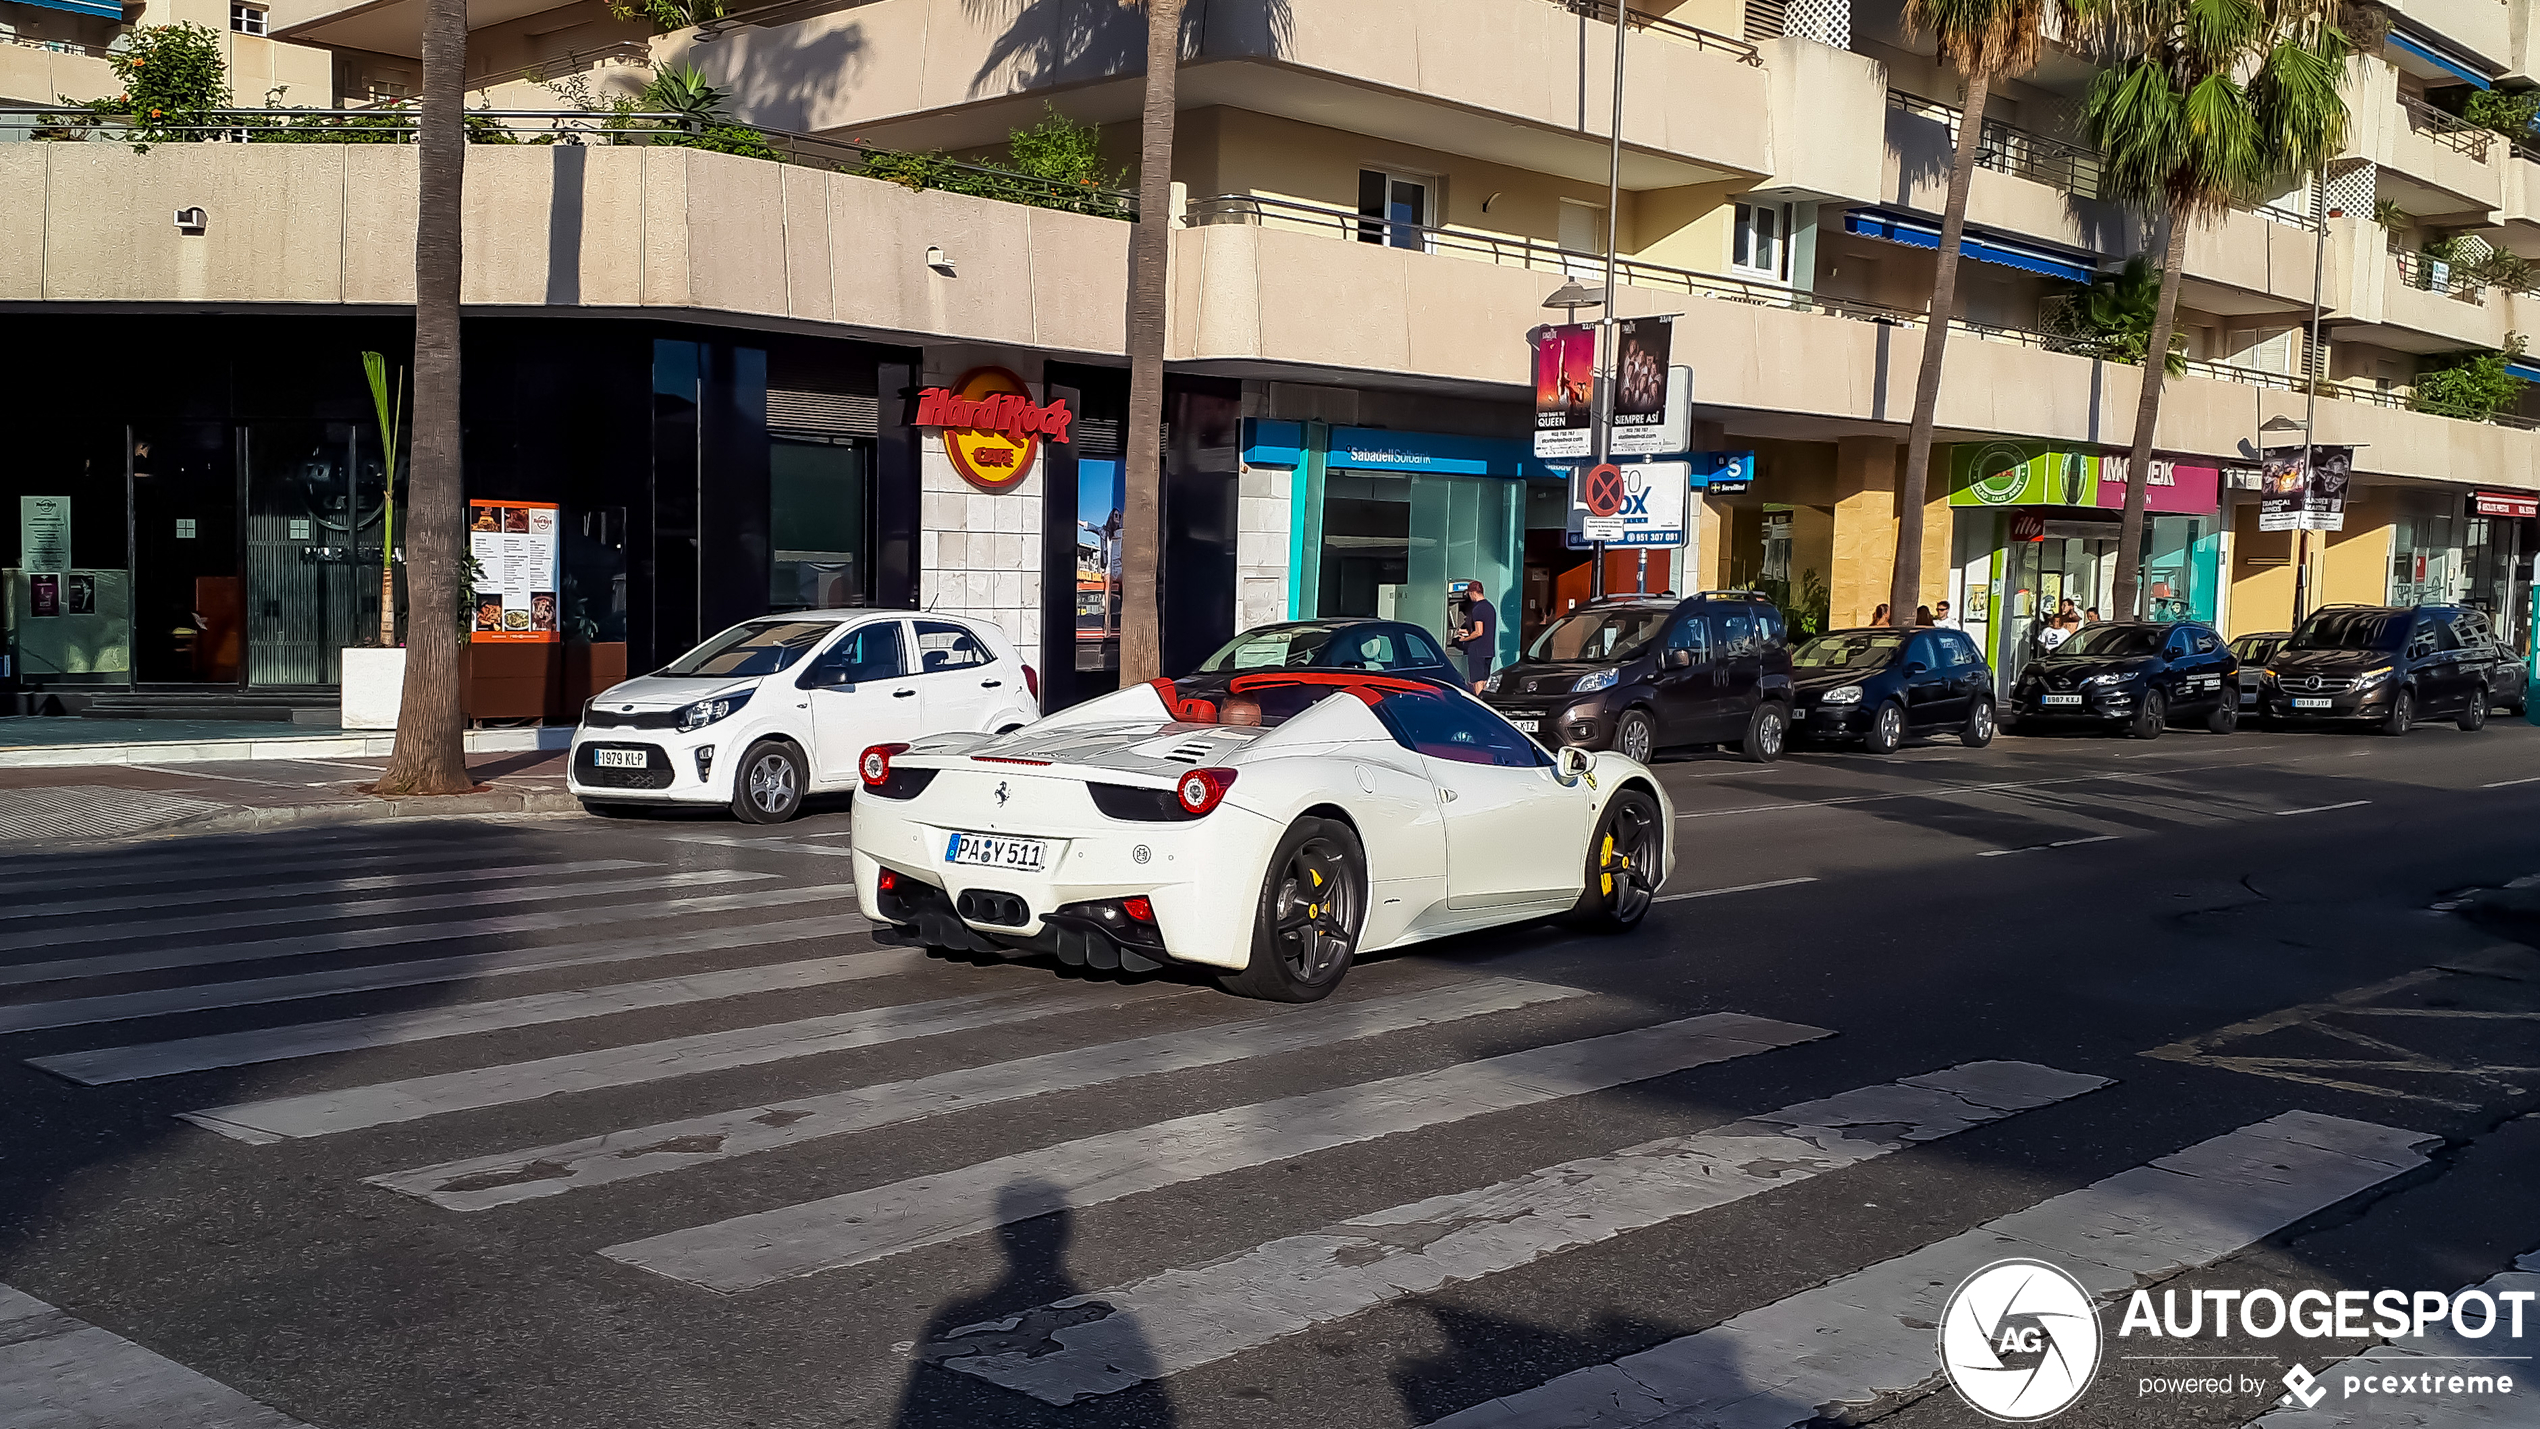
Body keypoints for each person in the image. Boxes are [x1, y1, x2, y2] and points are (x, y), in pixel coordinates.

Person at [1450, 579, 1498, 690]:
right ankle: (1485, 702)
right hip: (1488, 651)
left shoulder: (1478, 608)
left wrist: (1464, 639)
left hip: (1477, 651)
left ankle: (1479, 704)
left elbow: (1479, 632)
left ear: (1472, 593)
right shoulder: (1490, 607)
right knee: (1485, 680)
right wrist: (1468, 632)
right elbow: (1484, 630)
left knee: (1477, 681)